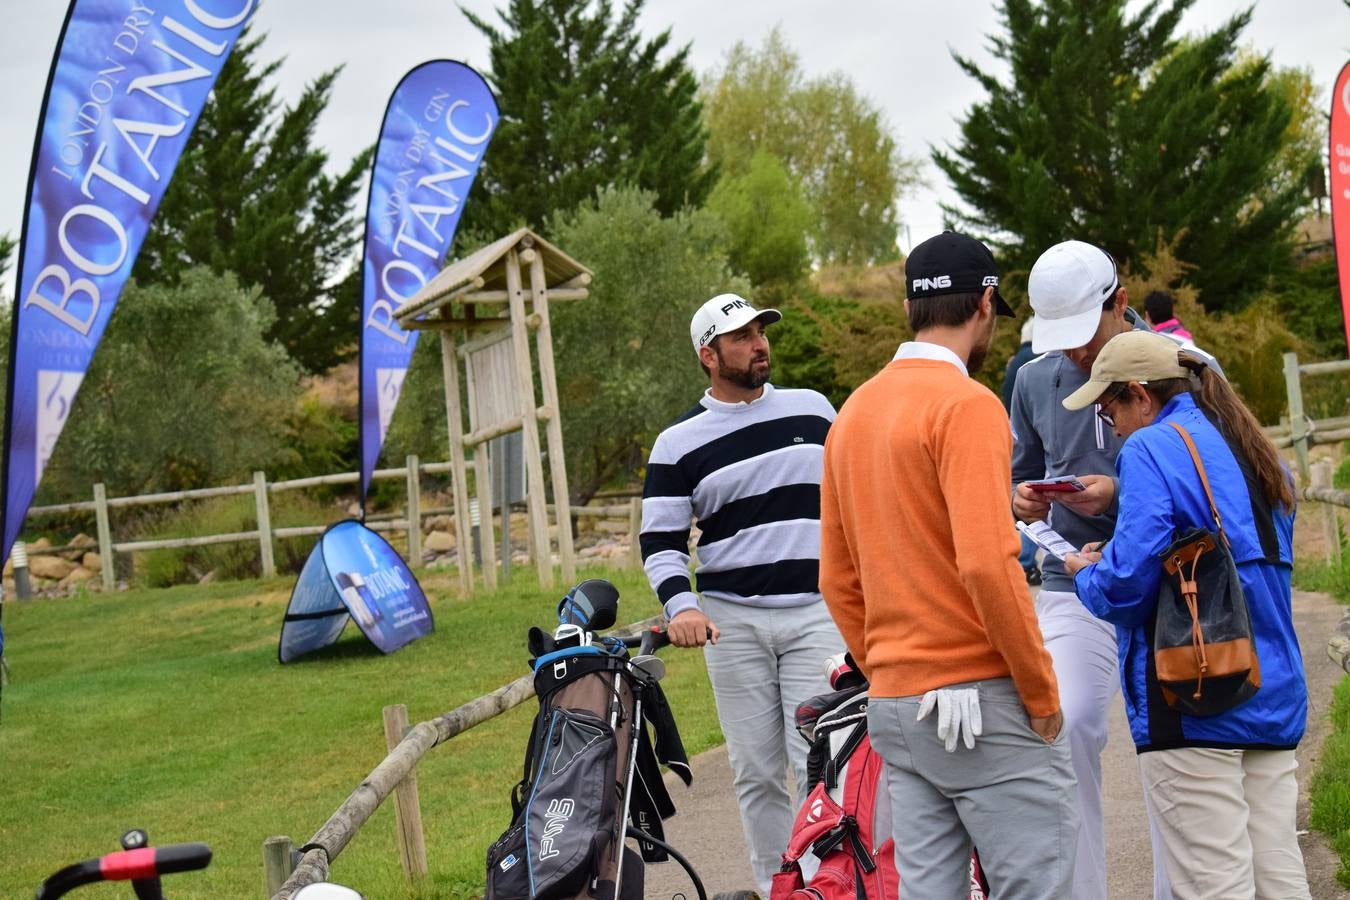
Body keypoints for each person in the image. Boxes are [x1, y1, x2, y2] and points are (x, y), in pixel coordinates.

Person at [820, 231, 1076, 898]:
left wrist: (889, 669)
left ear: (910, 309)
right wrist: (1042, 693)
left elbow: (836, 580)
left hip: (899, 703)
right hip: (981, 696)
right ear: (986, 302)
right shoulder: (966, 405)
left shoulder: (852, 413)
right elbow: (990, 565)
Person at [1061, 329, 1310, 900]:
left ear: (1139, 395)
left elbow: (1127, 586)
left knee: (1213, 884)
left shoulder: (1149, 448)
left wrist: (1086, 572)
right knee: (1280, 879)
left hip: (1193, 695)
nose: (1113, 428)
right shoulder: (1256, 448)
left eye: (1108, 411)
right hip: (1271, 688)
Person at [1011, 239, 1221, 899]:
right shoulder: (1032, 376)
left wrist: (1118, 493)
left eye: (1084, 335)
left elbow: (1217, 477)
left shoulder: (1191, 367)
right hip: (1076, 585)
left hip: (1177, 588)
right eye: (1061, 339)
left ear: (1122, 304)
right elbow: (1018, 475)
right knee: (1064, 724)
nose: (1075, 354)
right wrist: (1020, 500)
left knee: (1181, 751)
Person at [639, 293, 843, 896]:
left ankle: (828, 884)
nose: (760, 344)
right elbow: (661, 542)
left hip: (817, 613)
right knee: (755, 773)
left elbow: (852, 501)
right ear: (709, 354)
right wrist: (683, 607)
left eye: (761, 331)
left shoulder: (814, 411)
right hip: (732, 625)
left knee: (824, 761)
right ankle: (779, 886)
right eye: (743, 337)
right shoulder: (677, 443)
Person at [1003, 317, 1041, 584]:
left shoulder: (1014, 361)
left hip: (1012, 431)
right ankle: (1026, 559)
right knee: (1035, 499)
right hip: (1034, 436)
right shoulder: (1037, 363)